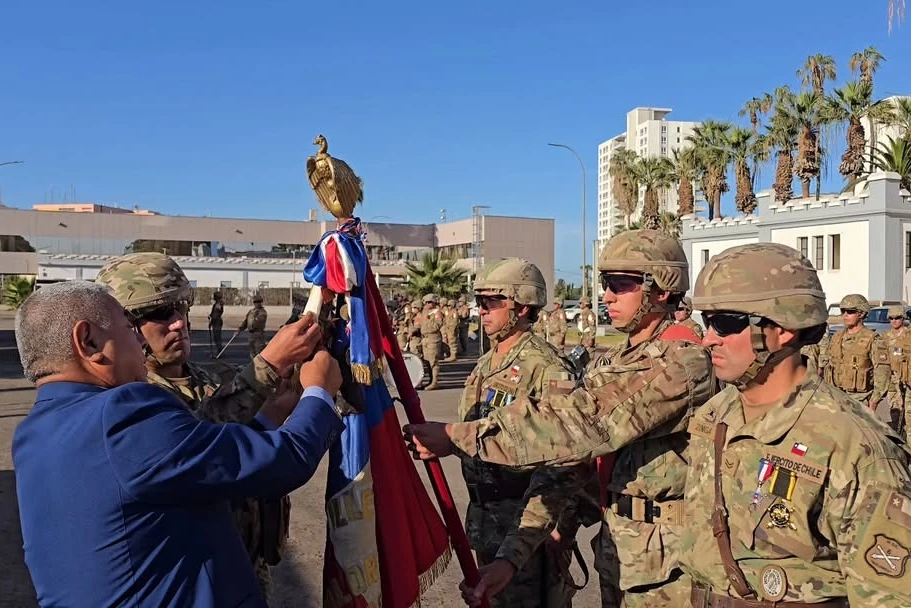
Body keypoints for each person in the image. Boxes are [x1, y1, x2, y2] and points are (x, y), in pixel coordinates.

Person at [404, 229, 716, 607]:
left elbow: (576, 426)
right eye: (606, 283)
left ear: (662, 289)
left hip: (672, 567)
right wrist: (513, 555)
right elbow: (568, 467)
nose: (607, 295)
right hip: (627, 554)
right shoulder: (617, 362)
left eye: (621, 284)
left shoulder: (680, 360)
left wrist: (457, 436)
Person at [13, 281, 347, 608]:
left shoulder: (34, 435)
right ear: (88, 340)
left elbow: (188, 471)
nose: (139, 343)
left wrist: (267, 418)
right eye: (129, 328)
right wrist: (319, 392)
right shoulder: (119, 414)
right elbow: (283, 463)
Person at [680, 242, 911, 607]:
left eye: (724, 322)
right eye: (705, 323)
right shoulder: (715, 415)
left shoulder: (854, 448)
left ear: (783, 327)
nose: (708, 338)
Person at [94, 252, 306, 597]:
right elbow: (195, 443)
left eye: (182, 308)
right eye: (160, 314)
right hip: (194, 584)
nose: (178, 322)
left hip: (247, 568)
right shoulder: (128, 402)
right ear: (125, 326)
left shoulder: (213, 380)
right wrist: (267, 366)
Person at [455, 258, 595, 607]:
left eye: (492, 303)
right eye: (480, 303)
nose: (482, 311)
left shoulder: (546, 367)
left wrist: (562, 527)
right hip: (487, 522)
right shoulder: (488, 362)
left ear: (521, 307)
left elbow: (569, 455)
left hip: (527, 532)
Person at [822, 294, 890, 410]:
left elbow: (882, 372)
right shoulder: (836, 338)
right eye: (843, 311)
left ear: (861, 313)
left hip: (860, 399)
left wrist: (874, 401)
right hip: (836, 397)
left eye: (850, 311)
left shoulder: (873, 339)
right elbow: (827, 365)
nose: (845, 315)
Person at [885, 305, 911, 437]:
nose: (894, 321)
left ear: (903, 318)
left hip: (906, 377)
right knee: (894, 405)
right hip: (892, 377)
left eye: (898, 318)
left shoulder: (908, 335)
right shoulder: (885, 336)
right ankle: (896, 431)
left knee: (907, 409)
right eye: (891, 318)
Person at [418, 293, 444, 390]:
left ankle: (434, 382)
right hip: (425, 338)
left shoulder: (437, 313)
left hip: (433, 339)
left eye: (430, 302)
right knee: (427, 361)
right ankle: (430, 380)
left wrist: (428, 320)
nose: (427, 304)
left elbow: (437, 326)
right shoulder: (425, 312)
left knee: (433, 361)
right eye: (426, 302)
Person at [238, 294, 269, 360]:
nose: (257, 303)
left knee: (259, 353)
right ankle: (253, 367)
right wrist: (240, 329)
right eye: (255, 302)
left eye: (258, 302)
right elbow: (246, 321)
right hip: (251, 335)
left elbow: (258, 323)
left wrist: (254, 317)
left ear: (261, 302)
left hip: (259, 334)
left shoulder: (262, 312)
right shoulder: (251, 312)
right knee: (252, 353)